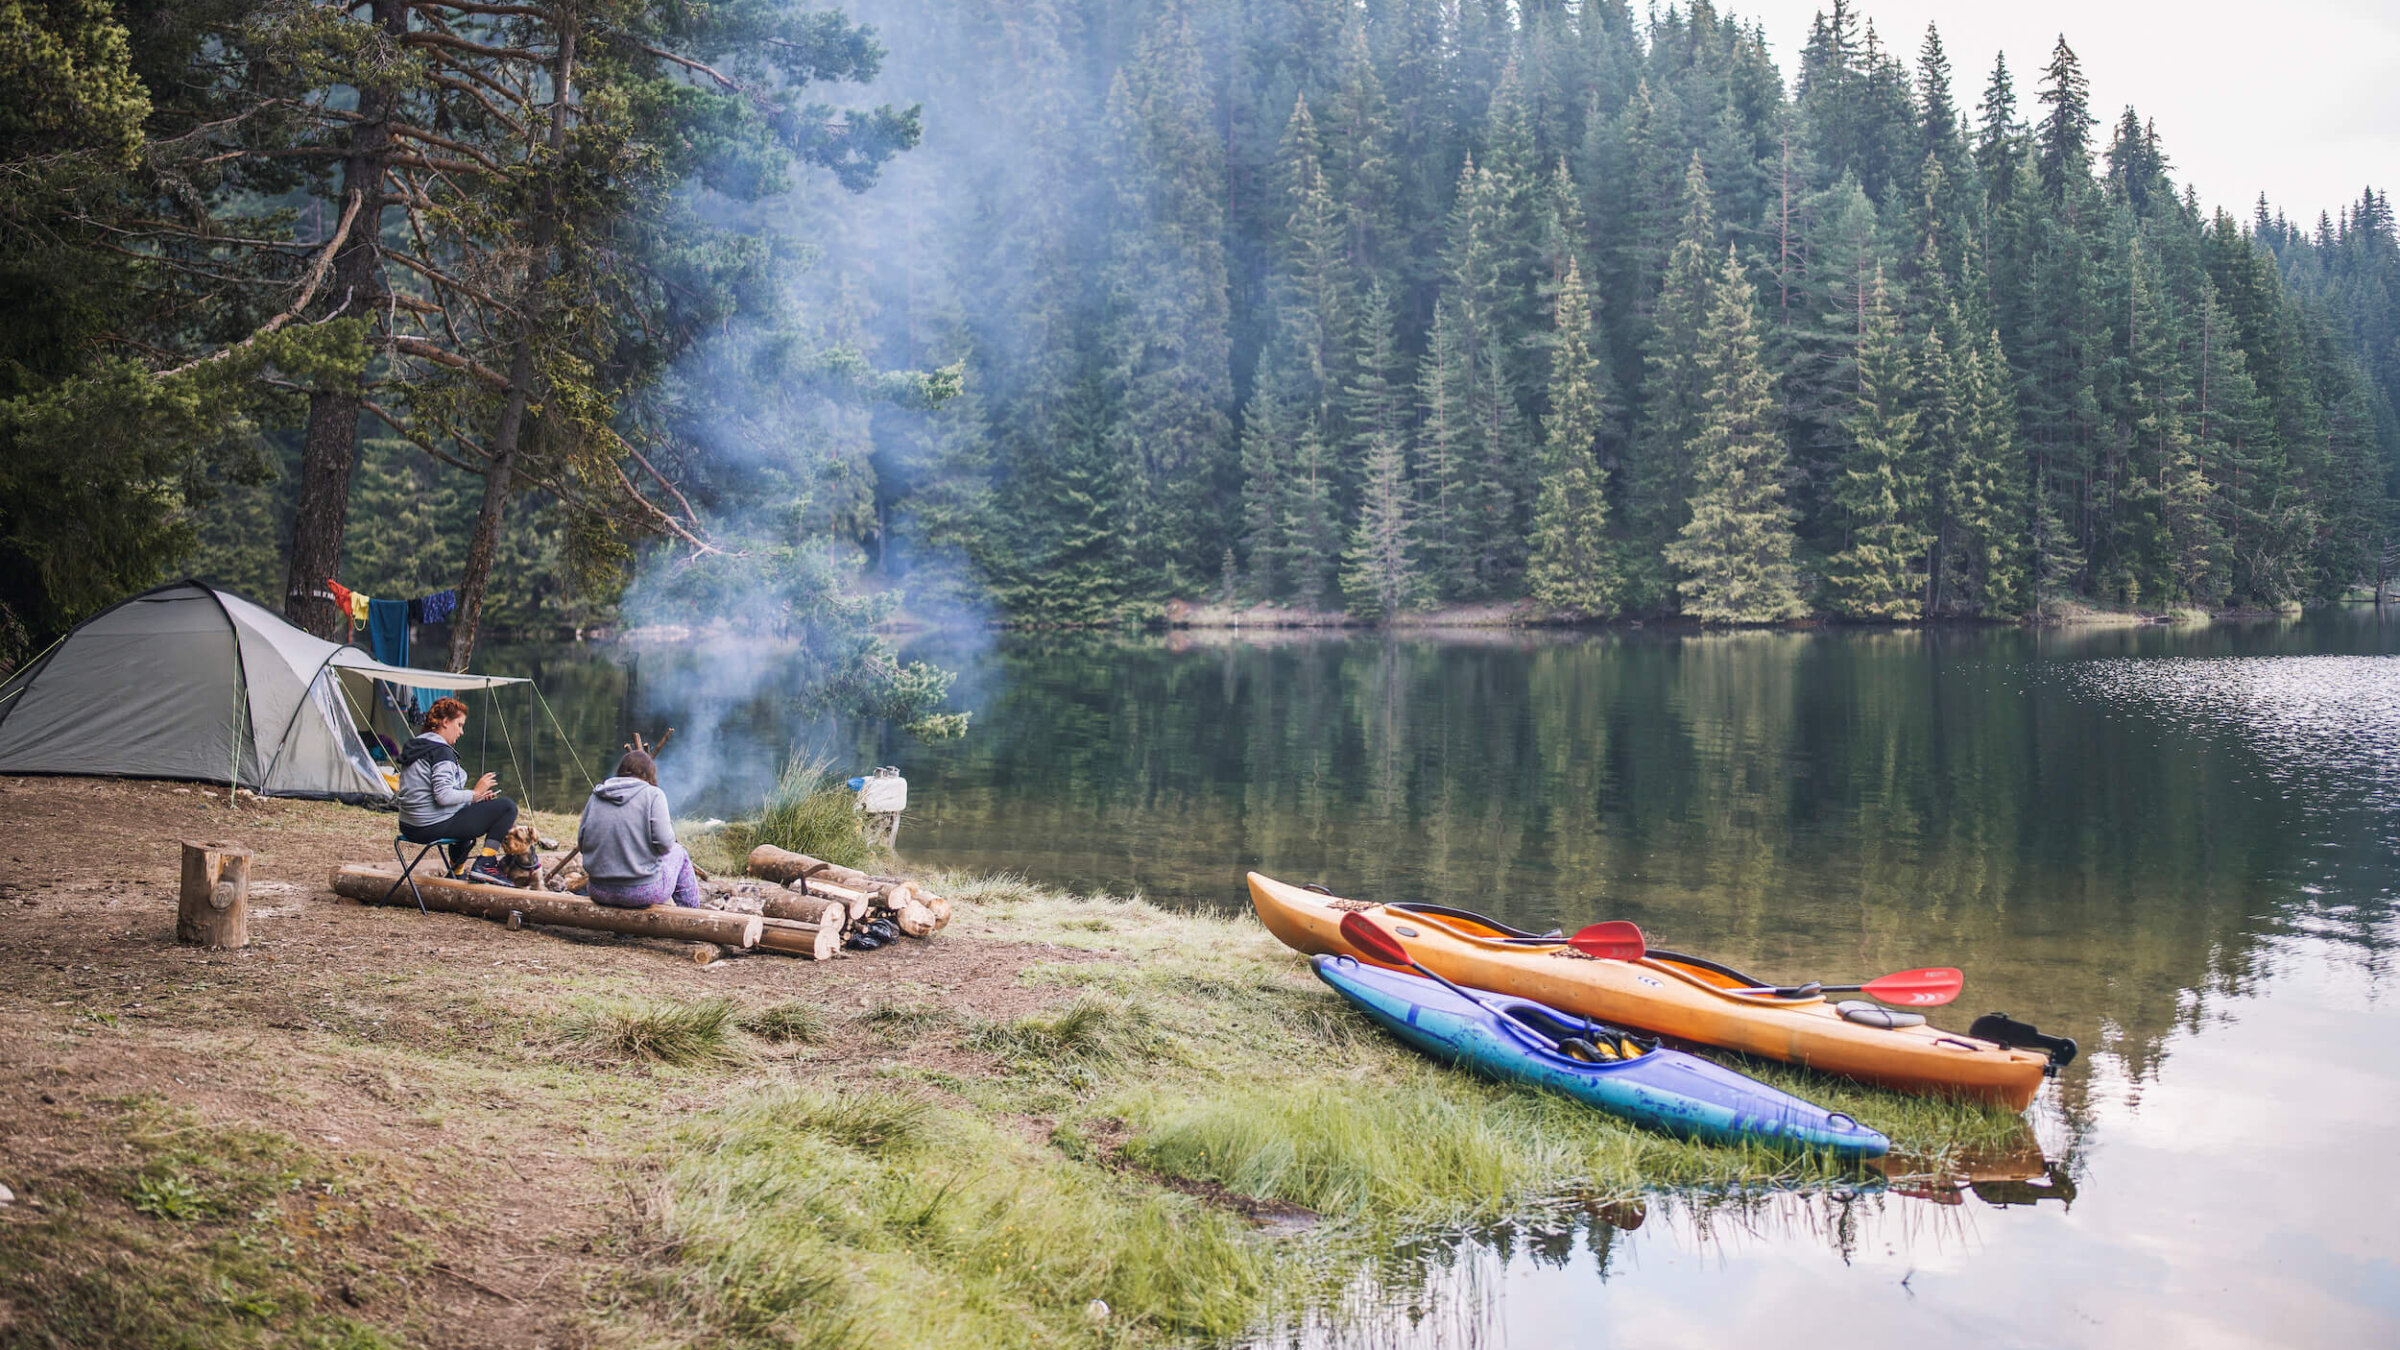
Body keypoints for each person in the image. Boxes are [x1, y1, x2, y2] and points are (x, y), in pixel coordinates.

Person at [396, 696, 518, 884]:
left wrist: (473, 800)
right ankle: (486, 863)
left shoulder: (417, 745)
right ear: (445, 722)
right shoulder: (440, 751)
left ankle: (456, 872)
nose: (461, 732)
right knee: (507, 807)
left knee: (468, 811)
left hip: (409, 824)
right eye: (459, 725)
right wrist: (475, 793)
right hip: (429, 826)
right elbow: (443, 796)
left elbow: (434, 794)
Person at [578, 749, 701, 908]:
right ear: (648, 774)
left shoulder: (597, 795)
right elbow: (665, 844)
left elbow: (581, 843)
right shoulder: (653, 794)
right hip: (641, 892)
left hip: (599, 890)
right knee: (679, 852)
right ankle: (691, 920)